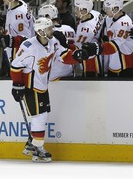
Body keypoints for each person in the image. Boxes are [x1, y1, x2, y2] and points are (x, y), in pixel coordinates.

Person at [10, 17, 87, 162]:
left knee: (43, 114)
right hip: (30, 87)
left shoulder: (53, 42)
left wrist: (77, 56)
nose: (53, 30)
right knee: (40, 116)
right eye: (49, 28)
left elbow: (64, 56)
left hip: (43, 85)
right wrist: (16, 85)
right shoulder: (28, 46)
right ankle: (38, 148)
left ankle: (31, 144)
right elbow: (15, 66)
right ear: (40, 31)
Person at [79, 0, 133, 78]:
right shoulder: (110, 18)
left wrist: (96, 48)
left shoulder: (124, 23)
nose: (105, 10)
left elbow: (114, 46)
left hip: (125, 65)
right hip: (114, 62)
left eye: (107, 8)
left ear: (116, 8)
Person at [0, 0, 35, 64]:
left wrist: (8, 39)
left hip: (19, 52)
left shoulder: (19, 14)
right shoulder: (19, 4)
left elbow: (25, 39)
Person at [38, 4, 75, 79]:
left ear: (48, 17)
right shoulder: (70, 29)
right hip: (69, 70)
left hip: (54, 73)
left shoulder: (47, 32)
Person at [70, 0, 104, 77]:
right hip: (98, 55)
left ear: (84, 10)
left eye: (77, 8)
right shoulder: (96, 14)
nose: (74, 10)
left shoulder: (84, 30)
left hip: (89, 61)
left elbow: (78, 48)